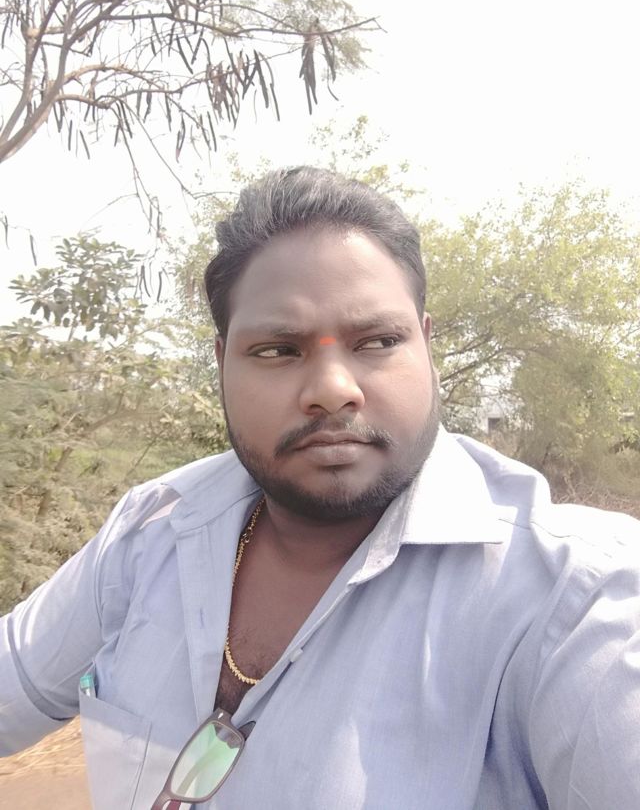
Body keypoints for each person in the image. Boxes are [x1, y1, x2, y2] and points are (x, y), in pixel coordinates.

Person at [1, 167, 639, 810]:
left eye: (379, 341)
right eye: (278, 350)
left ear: (426, 345)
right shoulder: (150, 532)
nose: (334, 389)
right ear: (222, 362)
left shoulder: (579, 599)